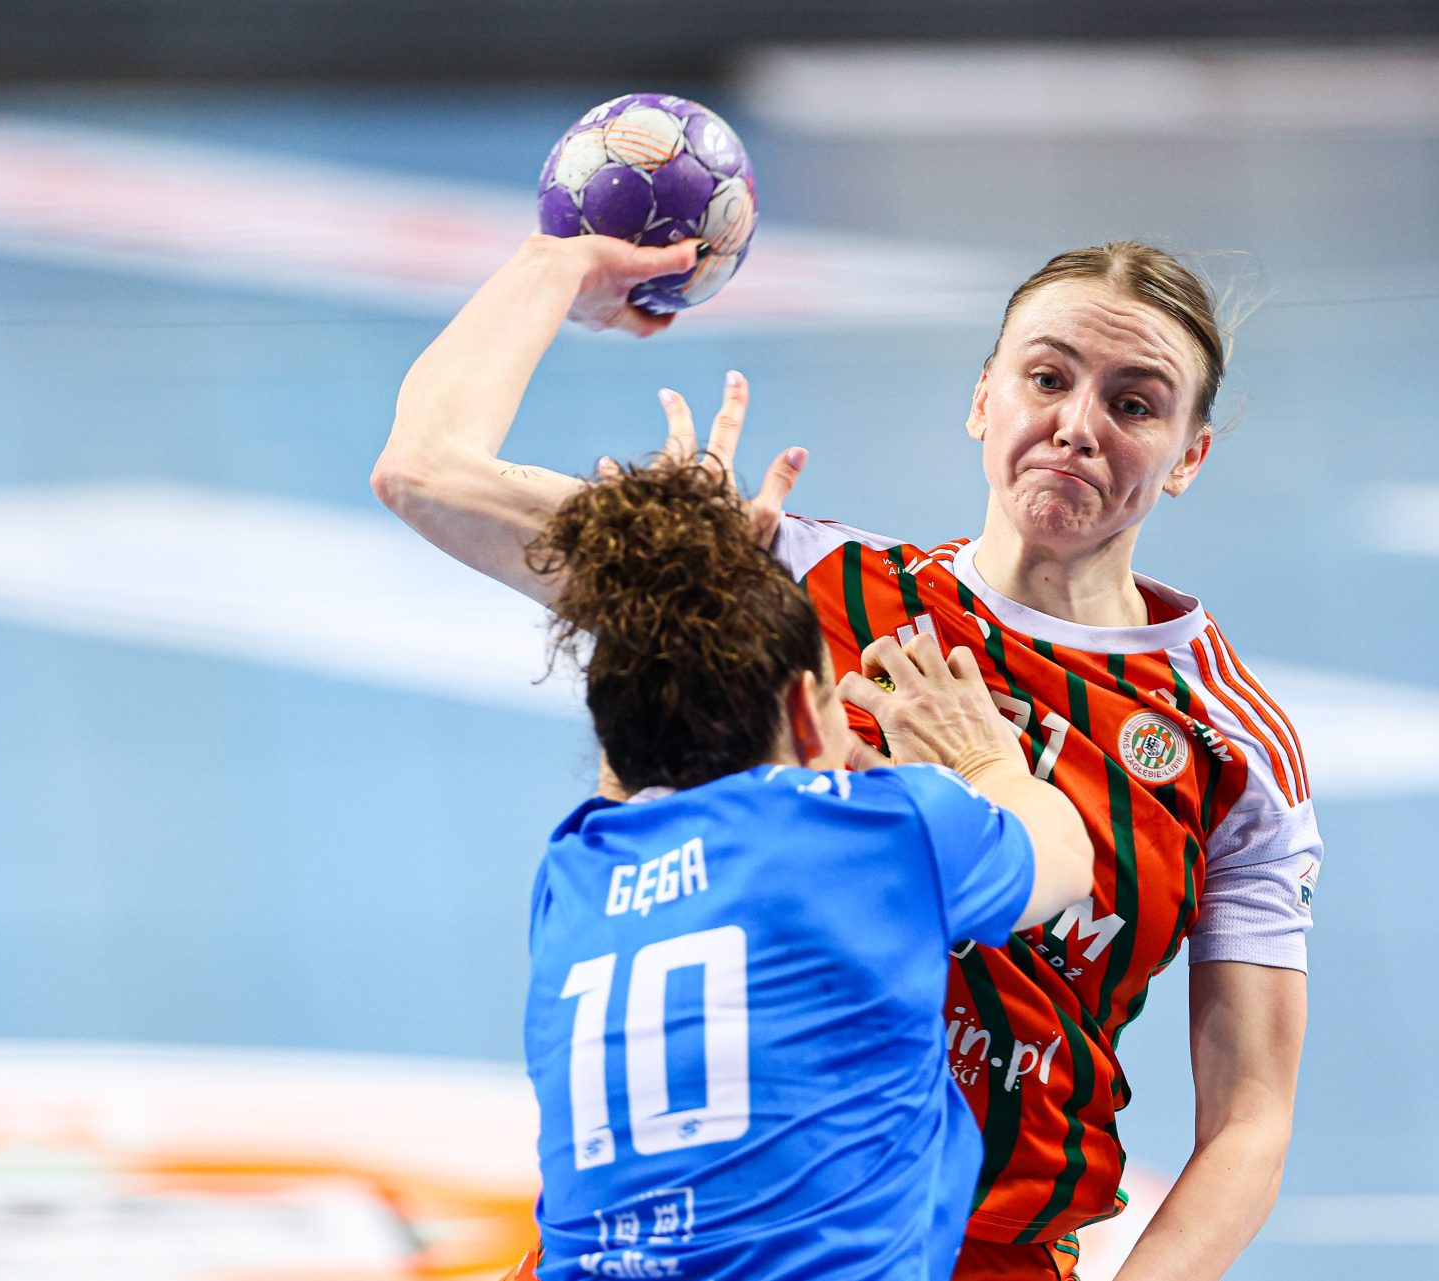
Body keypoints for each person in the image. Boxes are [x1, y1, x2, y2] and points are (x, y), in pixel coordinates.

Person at [374, 231, 1319, 1281]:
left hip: (979, 1250)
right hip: (727, 1225)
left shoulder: (1229, 743)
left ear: (1188, 455)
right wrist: (556, 265)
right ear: (983, 398)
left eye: (1134, 405)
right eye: (1047, 379)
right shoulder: (783, 580)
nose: (1076, 427)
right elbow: (426, 473)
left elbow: (1251, 1121)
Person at [515, 454, 1093, 1279]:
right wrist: (982, 760)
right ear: (802, 710)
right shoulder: (879, 832)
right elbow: (1066, 856)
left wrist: (681, 573)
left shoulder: (573, 869)